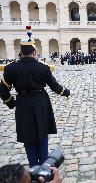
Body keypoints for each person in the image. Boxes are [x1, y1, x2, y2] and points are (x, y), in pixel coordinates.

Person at [0, 26, 70, 167]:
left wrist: (10, 102)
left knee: (28, 135)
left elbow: (3, 89)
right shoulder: (43, 68)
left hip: (22, 103)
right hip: (40, 101)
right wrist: (66, 92)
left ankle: (33, 166)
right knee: (42, 132)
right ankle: (43, 166)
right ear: (34, 52)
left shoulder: (11, 68)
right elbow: (54, 86)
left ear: (20, 52)